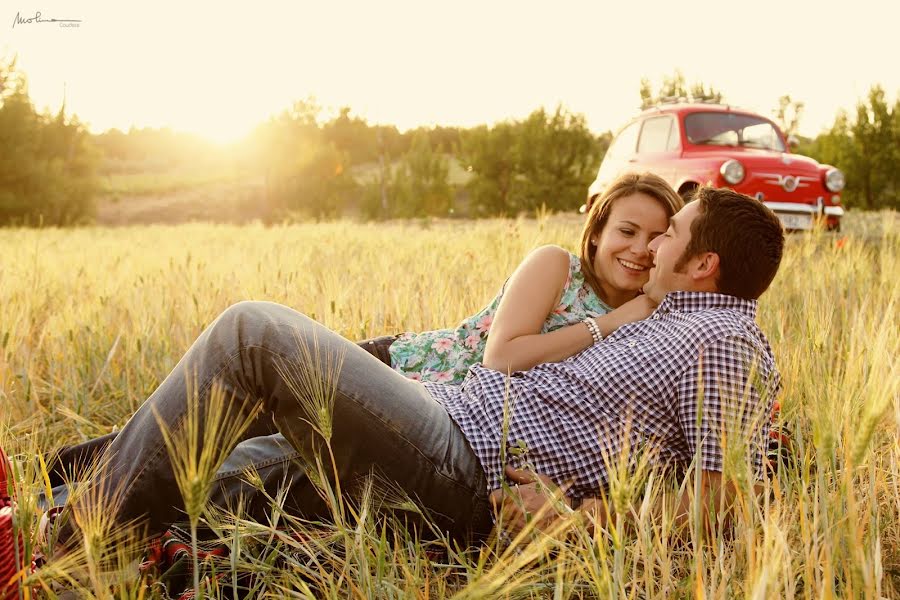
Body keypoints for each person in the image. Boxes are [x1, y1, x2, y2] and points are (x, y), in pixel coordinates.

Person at [44, 185, 784, 551]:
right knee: (233, 482)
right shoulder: (668, 320)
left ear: (704, 263)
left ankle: (67, 548)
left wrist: (580, 520)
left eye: (672, 235)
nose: (652, 248)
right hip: (444, 420)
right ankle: (55, 522)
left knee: (253, 333)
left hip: (462, 469)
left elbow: (725, 497)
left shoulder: (720, 341)